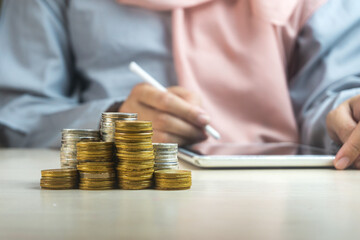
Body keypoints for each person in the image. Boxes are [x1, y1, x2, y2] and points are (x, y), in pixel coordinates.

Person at [1, 0, 360, 170]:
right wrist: (112, 121)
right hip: (111, 196)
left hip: (289, 202)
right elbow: (17, 115)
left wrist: (349, 115)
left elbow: (331, 96)